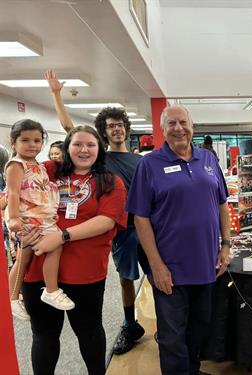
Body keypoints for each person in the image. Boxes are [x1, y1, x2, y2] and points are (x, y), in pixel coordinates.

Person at [45, 70, 148, 354]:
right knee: (127, 279)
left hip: (147, 228)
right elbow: (70, 130)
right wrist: (56, 94)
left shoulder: (141, 161)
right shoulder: (100, 161)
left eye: (120, 125)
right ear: (104, 131)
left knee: (157, 276)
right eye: (111, 126)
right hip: (122, 231)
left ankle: (170, 327)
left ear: (126, 129)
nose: (116, 129)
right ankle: (130, 325)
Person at [126, 106, 231, 375]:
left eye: (182, 122)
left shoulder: (208, 159)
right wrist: (156, 265)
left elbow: (221, 204)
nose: (178, 127)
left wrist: (226, 245)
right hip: (170, 269)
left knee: (198, 331)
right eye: (171, 123)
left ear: (192, 126)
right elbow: (140, 218)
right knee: (172, 338)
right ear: (163, 129)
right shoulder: (149, 164)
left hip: (207, 264)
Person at [21, 125, 127, 375]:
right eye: (77, 144)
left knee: (88, 332)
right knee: (44, 335)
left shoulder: (110, 181)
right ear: (66, 148)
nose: (84, 149)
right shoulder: (49, 171)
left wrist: (62, 236)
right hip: (39, 269)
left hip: (84, 272)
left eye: (90, 144)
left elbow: (107, 220)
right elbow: (20, 186)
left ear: (99, 149)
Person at [7, 120, 75, 321]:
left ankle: (12, 297)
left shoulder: (37, 165)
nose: (32, 144)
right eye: (25, 140)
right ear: (14, 143)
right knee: (53, 247)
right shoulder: (16, 165)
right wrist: (13, 218)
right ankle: (51, 290)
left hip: (43, 218)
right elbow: (12, 193)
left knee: (24, 258)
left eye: (37, 140)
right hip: (30, 220)